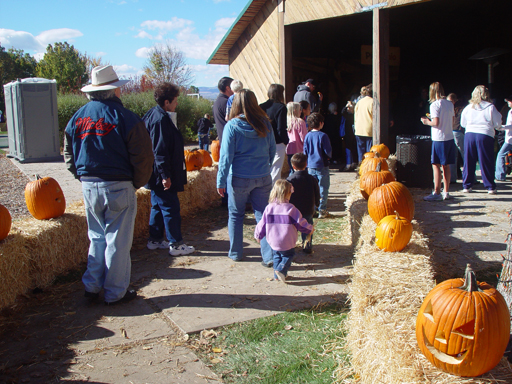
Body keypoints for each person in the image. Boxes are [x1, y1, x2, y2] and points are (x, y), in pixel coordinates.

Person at [64, 65, 154, 305]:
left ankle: (91, 286)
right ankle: (115, 292)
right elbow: (143, 156)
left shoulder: (77, 117)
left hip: (89, 184)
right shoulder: (126, 118)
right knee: (118, 241)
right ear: (114, 91)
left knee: (96, 236)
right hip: (118, 184)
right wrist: (137, 182)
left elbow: (68, 154)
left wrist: (80, 175)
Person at [217, 89, 276, 267]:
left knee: (236, 215)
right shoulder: (265, 124)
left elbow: (226, 157)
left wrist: (220, 181)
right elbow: (272, 150)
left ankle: (236, 252)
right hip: (263, 176)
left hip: (239, 177)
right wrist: (265, 166)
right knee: (262, 215)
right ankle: (268, 255)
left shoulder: (232, 126)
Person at [143, 82, 196, 256]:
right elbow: (160, 150)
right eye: (175, 100)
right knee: (170, 207)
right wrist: (166, 175)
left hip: (154, 172)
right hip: (161, 173)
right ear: (167, 102)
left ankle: (155, 240)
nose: (177, 103)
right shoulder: (160, 120)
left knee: (158, 206)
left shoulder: (153, 114)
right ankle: (176, 244)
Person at [254, 179, 314, 283]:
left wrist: (258, 235)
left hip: (273, 240)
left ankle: (277, 276)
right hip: (287, 240)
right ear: (288, 194)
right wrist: (309, 229)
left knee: (277, 256)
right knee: (288, 255)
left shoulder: (269, 208)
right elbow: (300, 223)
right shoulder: (291, 209)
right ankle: (281, 271)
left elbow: (262, 224)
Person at [460, 85, 502, 194]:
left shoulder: (468, 107)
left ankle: (467, 185)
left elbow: (463, 123)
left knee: (468, 160)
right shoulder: (490, 107)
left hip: (470, 134)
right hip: (485, 134)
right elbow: (497, 124)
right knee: (486, 160)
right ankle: (490, 186)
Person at [420, 82, 456, 201]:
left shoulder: (435, 105)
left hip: (439, 138)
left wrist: (426, 122)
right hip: (449, 137)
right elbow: (452, 120)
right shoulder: (449, 104)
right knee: (446, 166)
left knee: (436, 165)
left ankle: (436, 192)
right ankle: (446, 191)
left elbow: (436, 123)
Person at [287, 153, 320, 254]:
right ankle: (307, 246)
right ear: (306, 164)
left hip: (293, 210)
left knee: (292, 228)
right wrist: (317, 204)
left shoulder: (290, 180)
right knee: (307, 227)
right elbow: (317, 193)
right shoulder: (312, 179)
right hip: (308, 209)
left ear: (293, 166)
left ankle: (290, 245)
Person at [303, 112, 332, 218]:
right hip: (322, 165)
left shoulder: (308, 136)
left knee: (312, 188)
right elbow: (328, 151)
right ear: (321, 123)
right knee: (323, 187)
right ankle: (322, 209)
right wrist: (329, 157)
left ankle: (313, 209)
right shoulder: (323, 136)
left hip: (310, 165)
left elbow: (305, 150)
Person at [259, 84, 289, 184]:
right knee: (275, 171)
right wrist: (285, 141)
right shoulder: (281, 108)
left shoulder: (261, 106)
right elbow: (281, 128)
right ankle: (273, 197)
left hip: (263, 141)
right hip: (277, 143)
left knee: (265, 171)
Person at [447, 93, 466, 183]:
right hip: (454, 132)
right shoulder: (454, 109)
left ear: (454, 101)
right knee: (457, 155)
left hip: (456, 131)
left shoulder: (458, 109)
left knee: (461, 154)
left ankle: (454, 177)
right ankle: (453, 177)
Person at [285, 102, 307, 175]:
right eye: (299, 109)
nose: (301, 111)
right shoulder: (300, 122)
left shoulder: (286, 122)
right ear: (295, 110)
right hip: (299, 149)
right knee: (301, 171)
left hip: (289, 149)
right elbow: (304, 138)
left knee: (292, 170)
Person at [354, 84, 374, 163]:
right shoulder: (373, 102)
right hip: (369, 129)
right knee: (369, 152)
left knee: (361, 153)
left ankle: (361, 168)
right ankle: (368, 168)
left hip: (359, 129)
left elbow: (355, 115)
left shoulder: (359, 102)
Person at [495, 95, 512, 182]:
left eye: (509, 101)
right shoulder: (510, 111)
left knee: (501, 154)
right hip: (509, 138)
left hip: (510, 139)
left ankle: (500, 175)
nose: (508, 103)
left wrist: (501, 127)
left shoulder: (511, 112)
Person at [213, 77, 233, 144]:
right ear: (228, 88)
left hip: (223, 140)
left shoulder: (217, 102)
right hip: (230, 141)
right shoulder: (227, 103)